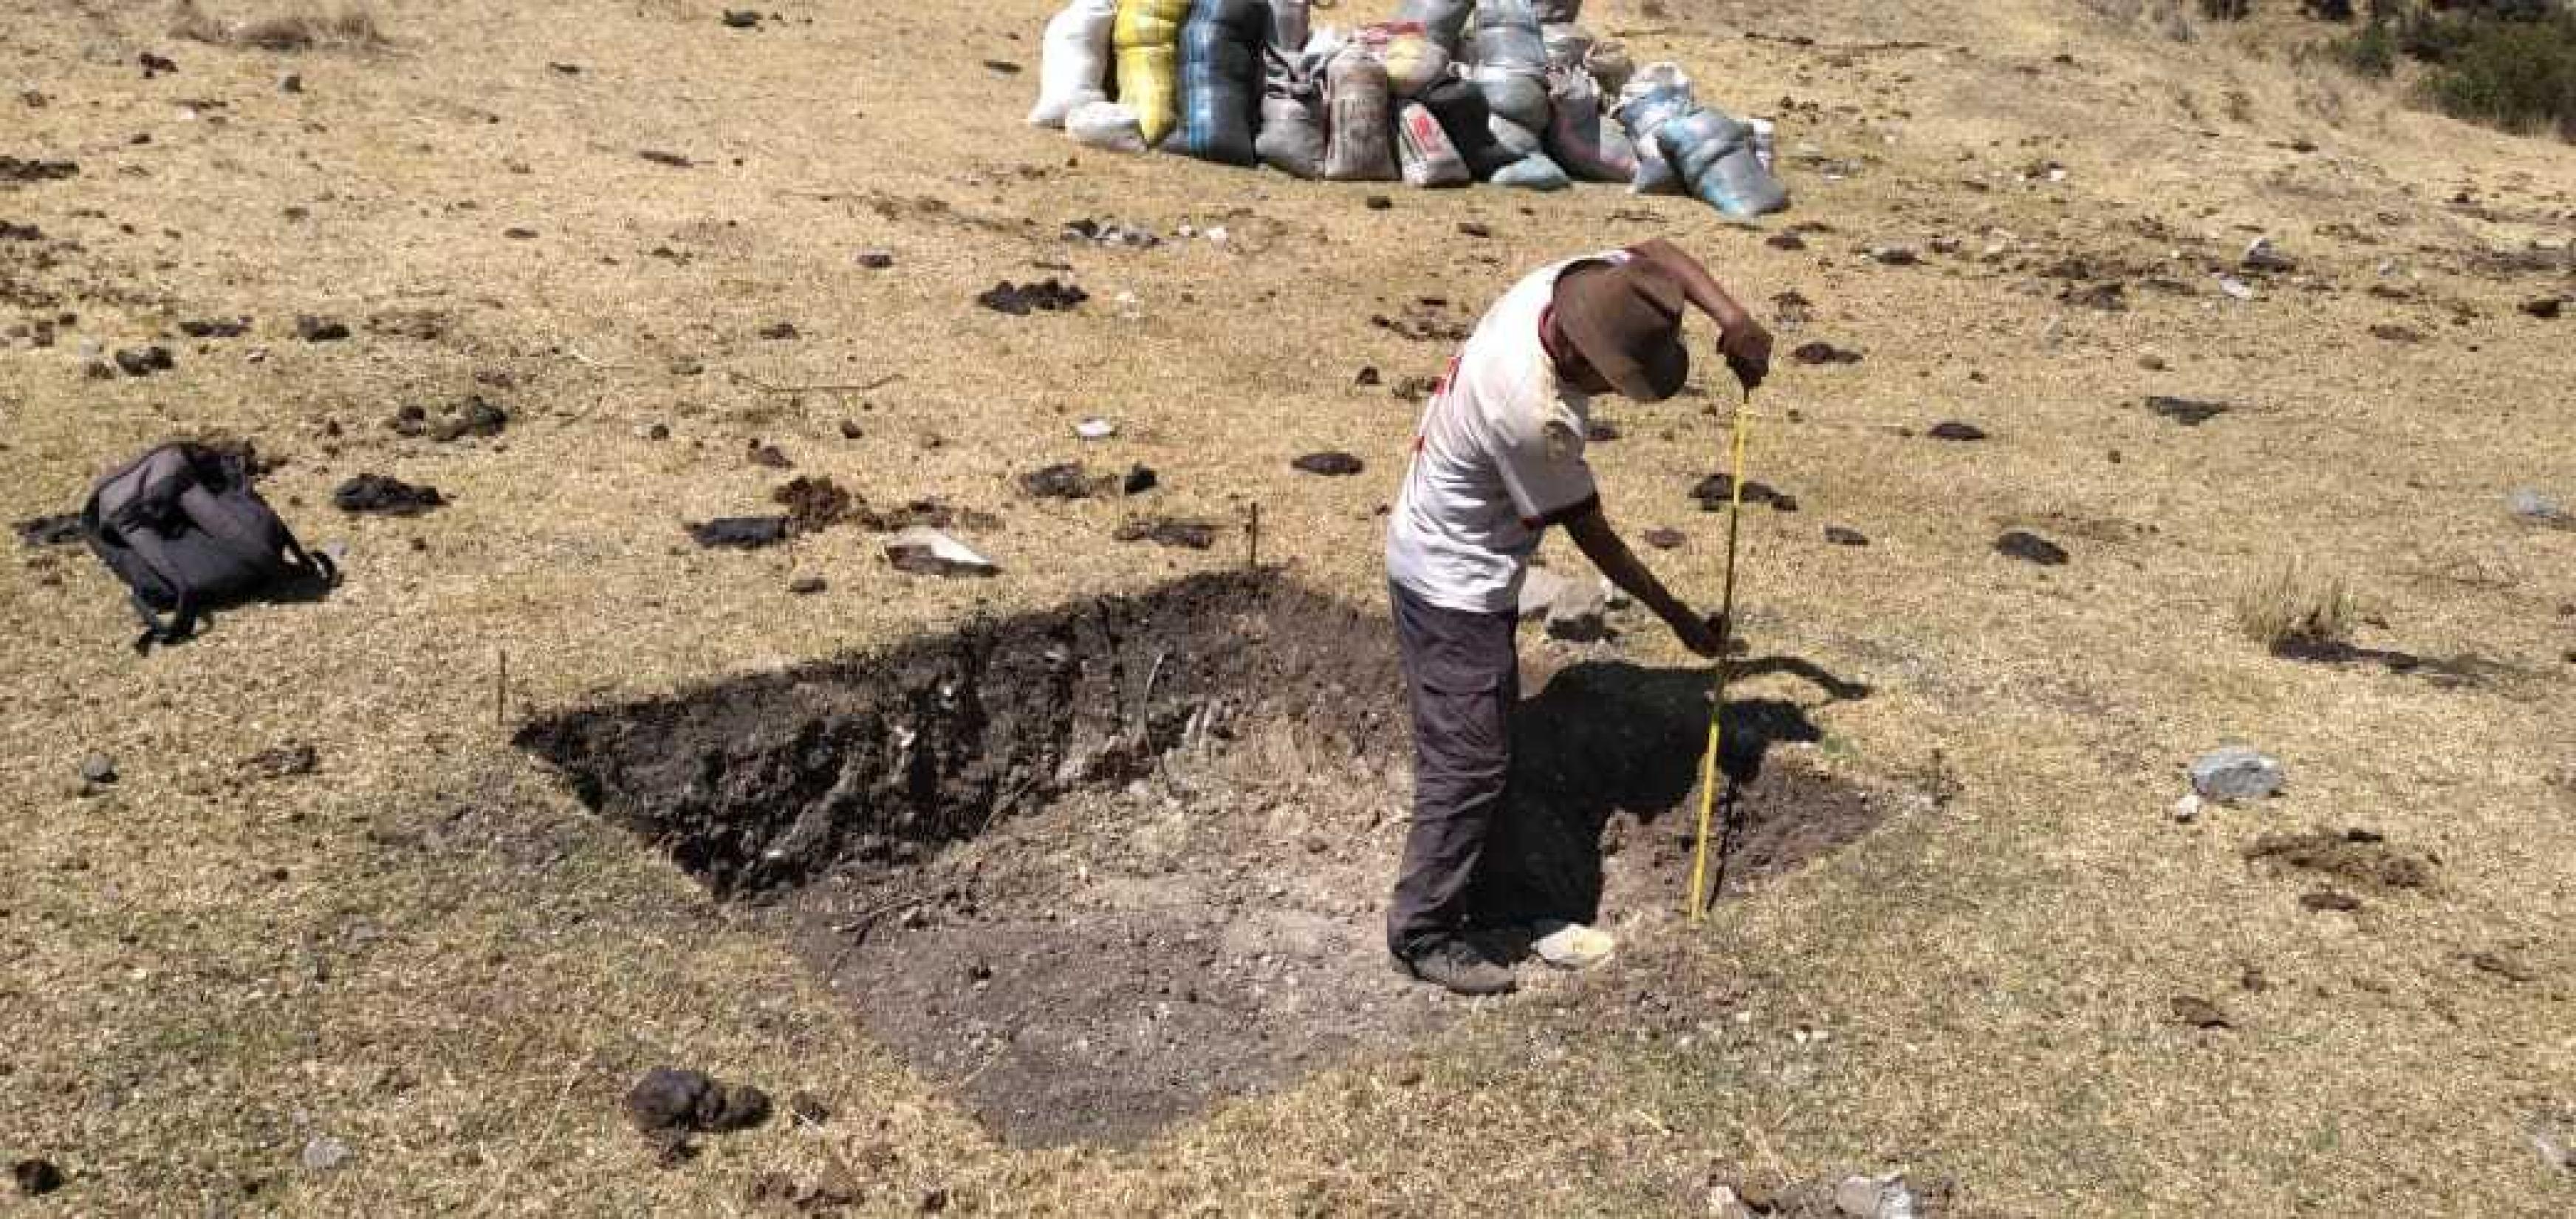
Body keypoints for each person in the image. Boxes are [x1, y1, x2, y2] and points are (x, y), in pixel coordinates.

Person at [1382, 239, 1774, 996]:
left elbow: (1658, 253)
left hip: (1455, 559)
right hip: (1449, 585)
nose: (1615, 395)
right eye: (1615, 383)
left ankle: (1490, 890)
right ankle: (1422, 931)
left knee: (1487, 743)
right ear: (1578, 353)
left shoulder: (1563, 283)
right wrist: (1680, 621)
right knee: (1467, 762)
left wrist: (1734, 318)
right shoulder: (1531, 414)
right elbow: (1594, 537)